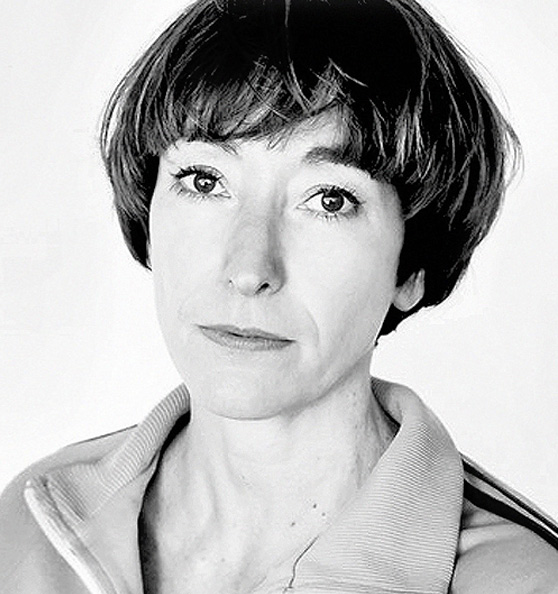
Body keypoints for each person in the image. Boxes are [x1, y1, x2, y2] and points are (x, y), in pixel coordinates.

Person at [1, 0, 557, 592]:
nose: (249, 270)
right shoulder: (31, 526)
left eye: (330, 200)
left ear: (412, 266)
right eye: (204, 181)